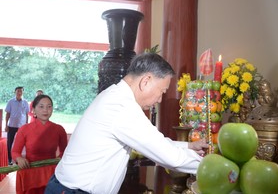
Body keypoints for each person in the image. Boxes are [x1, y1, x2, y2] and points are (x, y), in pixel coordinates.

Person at [45, 53, 209, 194]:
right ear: (146, 81)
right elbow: (170, 158)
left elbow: (154, 142)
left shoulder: (116, 96)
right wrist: (215, 167)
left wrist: (187, 147)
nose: (159, 99)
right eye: (161, 92)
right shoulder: (122, 106)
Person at [12, 94, 68, 194]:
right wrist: (19, 159)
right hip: (30, 172)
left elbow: (65, 152)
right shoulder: (24, 129)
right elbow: (15, 152)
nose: (45, 110)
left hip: (51, 173)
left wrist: (59, 162)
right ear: (33, 110)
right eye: (41, 106)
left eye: (49, 106)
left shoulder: (59, 129)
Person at [5, 86, 29, 165]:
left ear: (23, 92)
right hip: (12, 125)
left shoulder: (25, 102)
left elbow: (26, 114)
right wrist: (6, 125)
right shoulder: (11, 102)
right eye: (18, 91)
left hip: (22, 127)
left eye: (21, 91)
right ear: (15, 92)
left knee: (22, 143)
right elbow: (8, 114)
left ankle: (20, 159)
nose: (19, 93)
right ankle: (9, 160)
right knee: (10, 143)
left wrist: (27, 125)